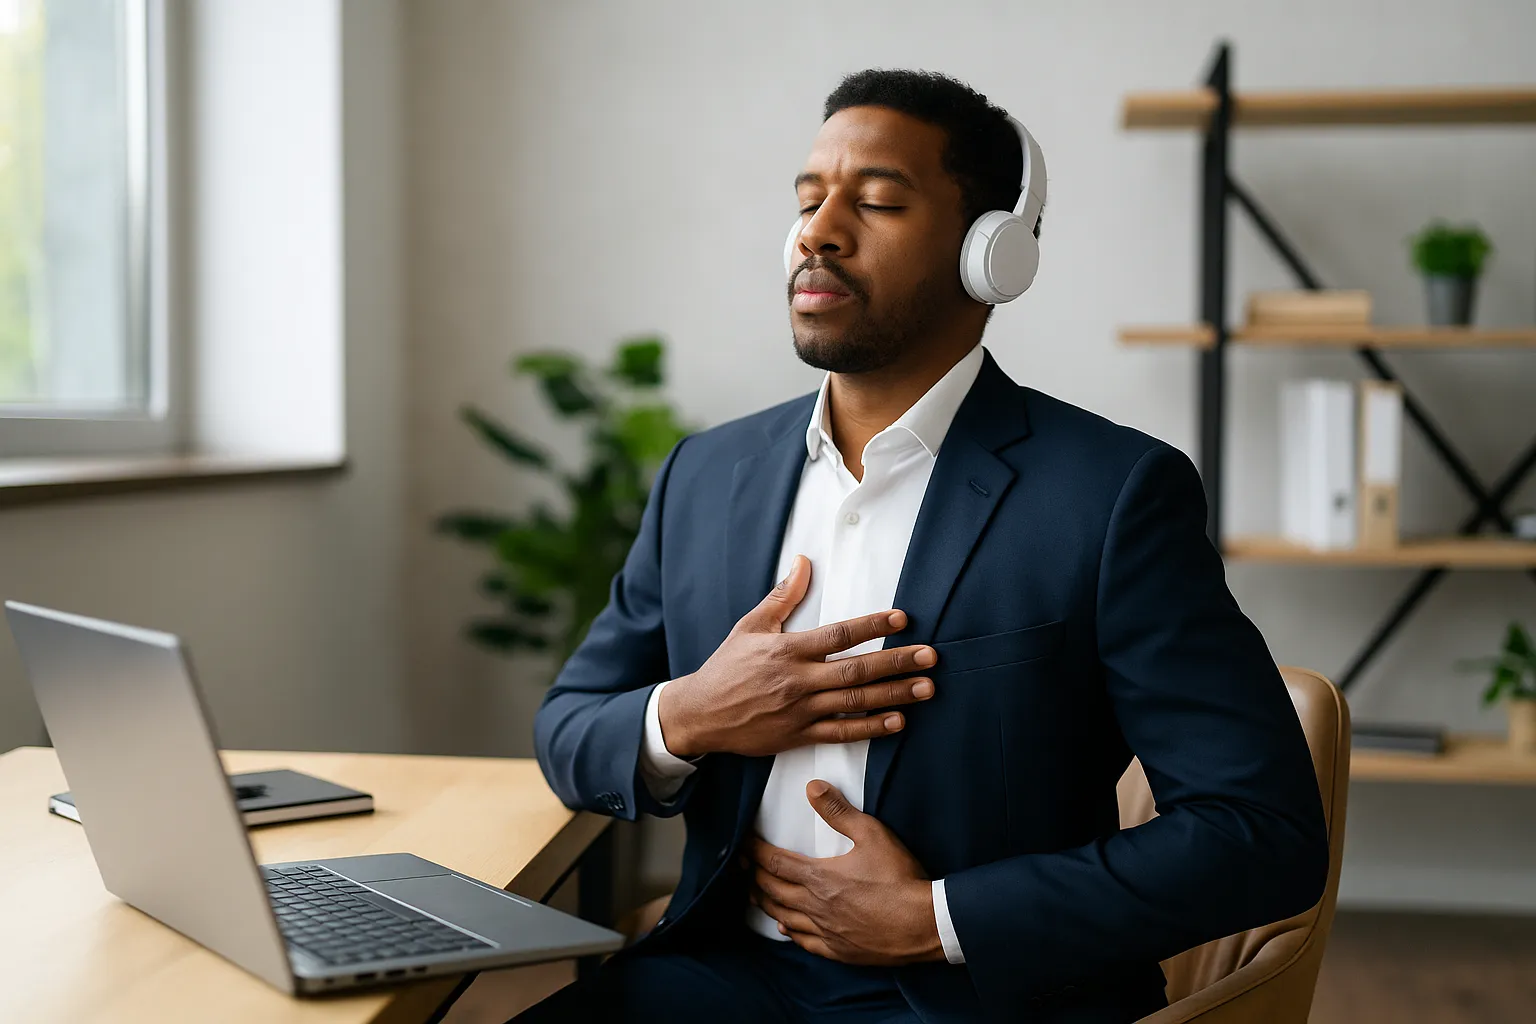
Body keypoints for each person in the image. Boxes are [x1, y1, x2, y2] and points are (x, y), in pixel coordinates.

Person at [518, 69, 1328, 1023]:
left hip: (976, 996)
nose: (819, 230)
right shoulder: (707, 475)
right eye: (808, 199)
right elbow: (569, 728)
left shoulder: (1113, 495)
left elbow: (1261, 835)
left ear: (993, 255)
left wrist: (938, 918)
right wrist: (689, 716)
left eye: (878, 201)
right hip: (717, 977)